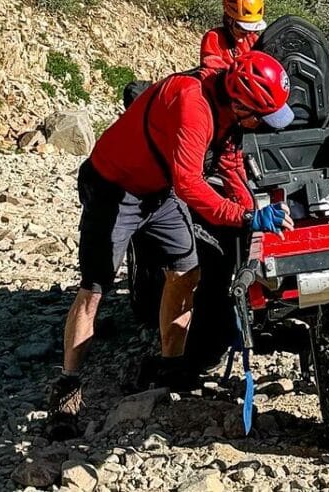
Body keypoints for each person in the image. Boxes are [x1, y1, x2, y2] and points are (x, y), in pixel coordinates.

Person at [47, 49, 294, 437]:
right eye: (262, 117)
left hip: (157, 193)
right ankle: (68, 388)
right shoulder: (193, 107)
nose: (264, 126)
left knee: (185, 270)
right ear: (243, 102)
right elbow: (190, 185)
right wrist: (243, 217)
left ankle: (169, 367)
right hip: (114, 187)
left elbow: (228, 164)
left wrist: (252, 220)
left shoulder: (230, 112)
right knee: (94, 290)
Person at [200, 0, 267, 70]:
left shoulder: (252, 40)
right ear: (229, 19)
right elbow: (210, 63)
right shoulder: (214, 37)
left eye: (252, 29)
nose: (247, 33)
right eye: (242, 28)